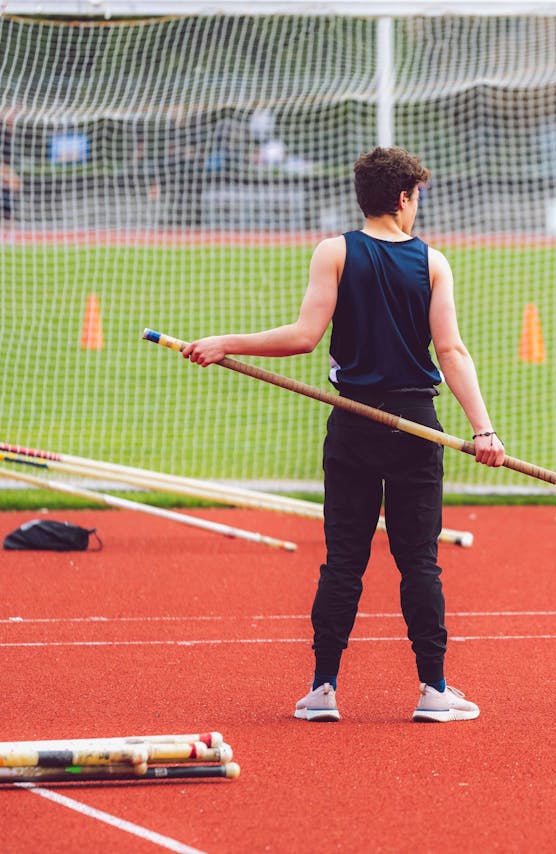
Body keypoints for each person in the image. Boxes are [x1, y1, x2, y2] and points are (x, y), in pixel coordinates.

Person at [180, 147, 506, 723]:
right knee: (419, 562)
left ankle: (322, 690)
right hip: (414, 426)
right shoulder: (432, 262)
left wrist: (226, 341)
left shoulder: (334, 251)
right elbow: (451, 351)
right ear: (403, 198)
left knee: (344, 561)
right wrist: (484, 430)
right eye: (416, 200)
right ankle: (433, 690)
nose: (417, 210)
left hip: (353, 420)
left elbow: (305, 336)